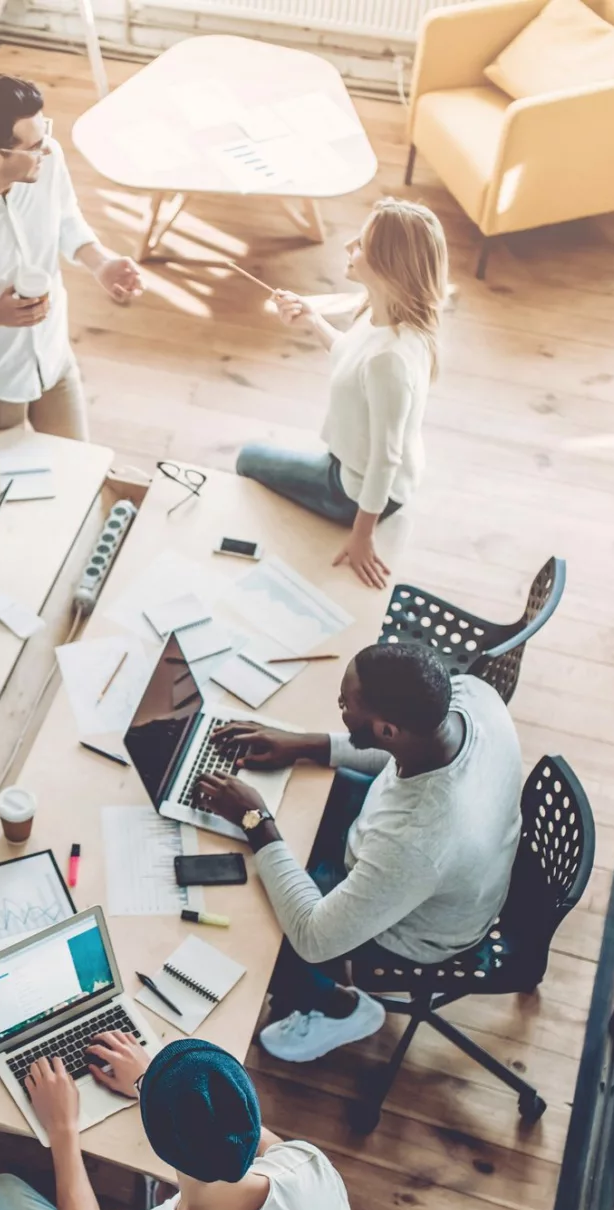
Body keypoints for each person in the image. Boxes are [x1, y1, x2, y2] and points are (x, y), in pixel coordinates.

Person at [195, 642, 523, 1064]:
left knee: (256, 925)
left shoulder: (419, 840)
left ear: (386, 730)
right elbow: (396, 753)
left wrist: (255, 819)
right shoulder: (471, 697)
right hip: (417, 849)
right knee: (292, 821)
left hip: (420, 928)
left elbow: (315, 938)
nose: (339, 706)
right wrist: (302, 745)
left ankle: (340, 1008)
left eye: (346, 704)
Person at [0, 1034, 349, 1210]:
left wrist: (63, 1130)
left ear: (158, 1143)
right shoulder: (310, 1169)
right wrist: (154, 1083)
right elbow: (256, 1136)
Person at [0, 74, 145, 441]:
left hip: (55, 359)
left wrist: (101, 263)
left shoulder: (47, 160)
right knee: (6, 485)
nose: (46, 150)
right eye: (33, 145)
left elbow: (65, 217)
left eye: (44, 133)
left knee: (76, 465)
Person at [235, 197, 448, 588]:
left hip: (352, 488)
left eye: (361, 243)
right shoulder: (386, 314)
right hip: (362, 466)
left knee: (247, 459)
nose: (349, 246)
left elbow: (385, 459)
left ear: (388, 264)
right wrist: (313, 318)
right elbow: (352, 359)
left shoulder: (391, 361)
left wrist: (362, 534)